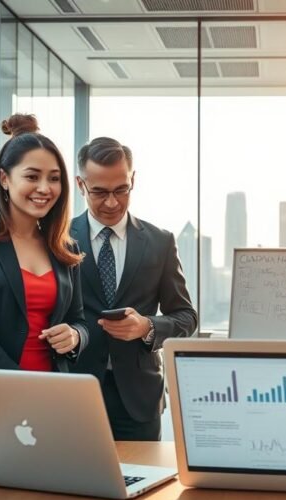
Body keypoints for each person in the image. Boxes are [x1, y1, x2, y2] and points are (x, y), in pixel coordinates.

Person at [70, 137, 197, 441]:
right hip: (74, 392)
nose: (112, 202)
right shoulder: (57, 239)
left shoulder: (160, 242)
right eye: (99, 191)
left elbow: (186, 317)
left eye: (121, 189)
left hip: (139, 399)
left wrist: (147, 326)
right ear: (80, 184)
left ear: (133, 180)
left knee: (142, 485)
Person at [0, 114, 87, 372]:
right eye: (32, 177)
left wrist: (76, 336)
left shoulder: (66, 249)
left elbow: (78, 320)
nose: (45, 188)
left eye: (54, 178)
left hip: (53, 389)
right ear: (4, 179)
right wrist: (22, 385)